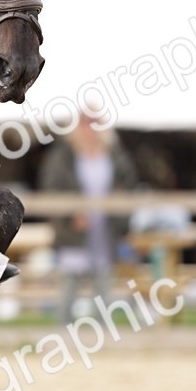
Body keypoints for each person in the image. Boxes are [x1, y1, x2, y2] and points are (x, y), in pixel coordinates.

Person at [38, 114, 138, 323]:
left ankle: (101, 343)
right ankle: (63, 339)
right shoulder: (63, 156)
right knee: (69, 288)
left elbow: (126, 187)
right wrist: (71, 214)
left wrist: (119, 219)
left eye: (95, 122)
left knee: (103, 290)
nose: (90, 128)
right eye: (86, 122)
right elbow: (52, 190)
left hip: (104, 232)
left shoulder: (114, 155)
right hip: (73, 233)